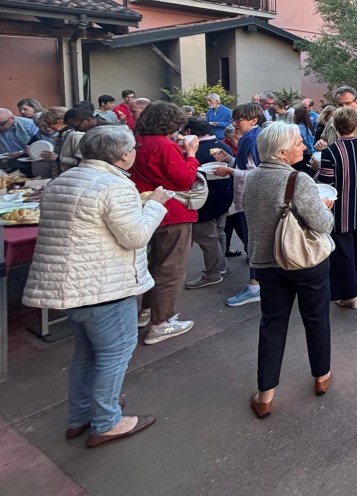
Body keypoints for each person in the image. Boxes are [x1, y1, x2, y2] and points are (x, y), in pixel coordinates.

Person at [22, 126, 171, 447]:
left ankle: (81, 415)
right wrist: (156, 204)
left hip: (73, 285)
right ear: (124, 155)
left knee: (87, 354)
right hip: (104, 284)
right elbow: (135, 236)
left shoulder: (64, 180)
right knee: (114, 354)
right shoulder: (114, 185)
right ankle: (106, 421)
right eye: (133, 148)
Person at [243, 122, 335, 419]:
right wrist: (325, 206)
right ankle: (321, 376)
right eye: (298, 142)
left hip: (266, 263)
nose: (304, 146)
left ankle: (265, 395)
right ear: (282, 152)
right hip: (304, 261)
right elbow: (323, 224)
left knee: (272, 323)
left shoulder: (251, 177)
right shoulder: (299, 179)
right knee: (316, 318)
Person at [130, 102, 200, 344]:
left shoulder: (137, 141)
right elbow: (185, 179)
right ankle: (161, 322)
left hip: (148, 208)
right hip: (172, 210)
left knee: (154, 263)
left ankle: (147, 310)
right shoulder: (164, 144)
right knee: (171, 267)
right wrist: (191, 156)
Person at [316, 106, 357, 308]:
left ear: (335, 126)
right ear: (356, 125)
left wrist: (317, 168)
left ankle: (349, 295)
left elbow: (326, 183)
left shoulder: (330, 151)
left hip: (342, 211)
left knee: (343, 253)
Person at [222, 103, 265, 306]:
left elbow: (256, 173)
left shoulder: (252, 139)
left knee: (252, 242)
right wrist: (229, 159)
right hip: (249, 197)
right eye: (234, 119)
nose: (235, 123)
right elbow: (246, 166)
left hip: (251, 198)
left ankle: (255, 286)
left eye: (239, 119)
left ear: (253, 120)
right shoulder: (254, 136)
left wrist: (231, 171)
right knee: (252, 242)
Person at [183, 118, 234, 289]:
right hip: (225, 198)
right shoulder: (223, 146)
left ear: (189, 132)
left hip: (203, 202)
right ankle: (221, 264)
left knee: (207, 239)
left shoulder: (194, 151)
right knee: (219, 233)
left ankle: (212, 273)